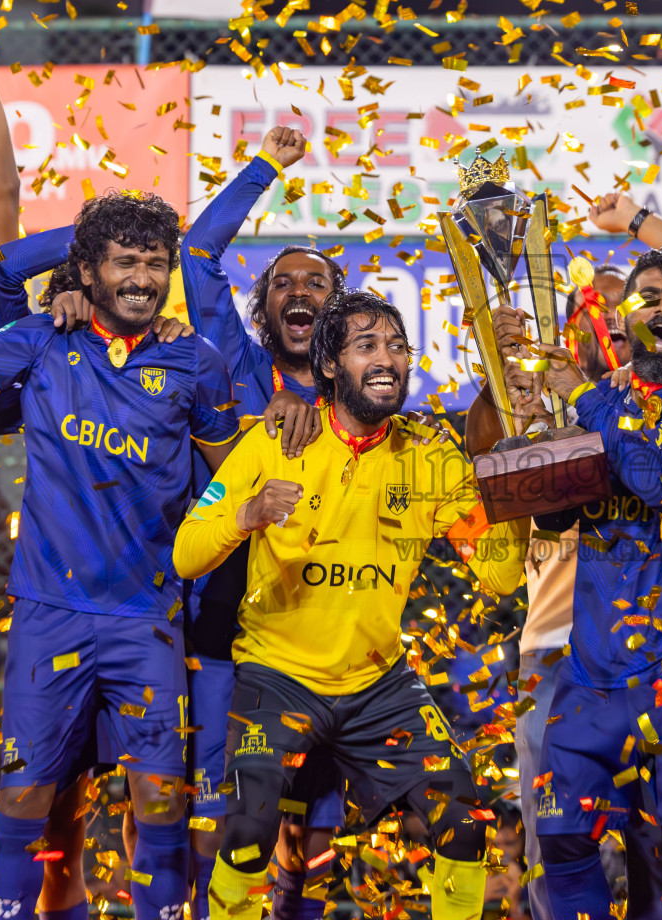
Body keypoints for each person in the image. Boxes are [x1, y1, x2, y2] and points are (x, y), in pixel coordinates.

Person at [0, 189, 246, 920]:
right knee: (24, 797)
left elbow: (231, 470)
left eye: (154, 262)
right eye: (124, 262)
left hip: (147, 621)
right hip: (49, 616)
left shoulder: (195, 361)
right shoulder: (41, 339)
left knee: (158, 798)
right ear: (88, 272)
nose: (142, 277)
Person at [171, 289, 529, 920]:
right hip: (278, 677)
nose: (386, 357)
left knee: (467, 823)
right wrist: (246, 517)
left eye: (396, 345)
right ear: (331, 365)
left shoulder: (429, 456)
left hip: (377, 686)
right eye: (366, 346)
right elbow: (186, 554)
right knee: (251, 832)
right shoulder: (271, 441)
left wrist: (516, 485)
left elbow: (501, 577)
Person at [521, 247, 662, 920]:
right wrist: (533, 442)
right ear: (626, 316)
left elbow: (661, 482)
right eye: (650, 296)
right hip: (590, 670)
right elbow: (554, 513)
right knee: (560, 841)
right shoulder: (595, 404)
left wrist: (585, 400)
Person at [176, 125, 345, 919]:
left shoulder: (363, 395)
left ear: (340, 311)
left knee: (308, 829)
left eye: (317, 281)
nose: (300, 290)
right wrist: (266, 165)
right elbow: (197, 256)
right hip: (224, 621)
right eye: (283, 281)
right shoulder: (236, 365)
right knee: (219, 811)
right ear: (264, 303)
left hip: (322, 631)